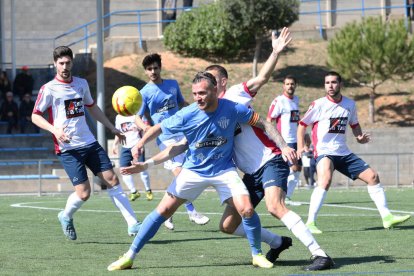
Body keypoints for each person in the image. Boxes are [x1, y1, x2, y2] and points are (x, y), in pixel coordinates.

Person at [123, 27, 334, 271]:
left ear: (220, 83)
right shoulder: (201, 111)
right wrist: (143, 148)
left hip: (268, 160)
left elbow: (262, 81)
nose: (204, 88)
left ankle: (319, 253)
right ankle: (277, 242)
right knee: (228, 225)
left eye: (210, 81)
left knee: (275, 206)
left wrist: (275, 52)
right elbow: (180, 142)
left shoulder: (235, 96)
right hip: (248, 172)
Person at [108, 71, 283, 271]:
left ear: (215, 90)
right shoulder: (187, 114)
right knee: (163, 210)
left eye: (202, 93)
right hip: (193, 171)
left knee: (247, 208)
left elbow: (261, 122)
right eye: (194, 94)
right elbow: (160, 130)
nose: (198, 97)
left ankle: (257, 254)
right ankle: (129, 256)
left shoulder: (233, 108)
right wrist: (140, 146)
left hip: (224, 170)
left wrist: (283, 146)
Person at [31, 46, 142, 240]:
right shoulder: (48, 89)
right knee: (84, 194)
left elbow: (92, 107)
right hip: (68, 149)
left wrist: (111, 127)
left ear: (72, 62)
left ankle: (133, 224)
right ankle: (65, 216)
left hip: (89, 143)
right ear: (55, 64)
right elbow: (35, 116)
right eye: (61, 63)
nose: (65, 66)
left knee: (112, 180)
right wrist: (55, 130)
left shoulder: (81, 84)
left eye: (68, 62)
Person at [297, 71, 411, 234]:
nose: (330, 86)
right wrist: (301, 146)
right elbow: (302, 125)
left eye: (334, 82)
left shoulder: (350, 104)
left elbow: (354, 124)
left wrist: (359, 137)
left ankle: (387, 217)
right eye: (327, 83)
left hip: (343, 152)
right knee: (325, 180)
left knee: (372, 176)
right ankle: (310, 222)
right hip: (324, 151)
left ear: (340, 84)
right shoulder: (318, 104)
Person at [134, 53, 209, 230]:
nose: (153, 71)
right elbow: (137, 117)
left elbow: (182, 103)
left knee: (185, 173)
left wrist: (198, 110)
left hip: (183, 133)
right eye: (149, 69)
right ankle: (192, 211)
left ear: (160, 68)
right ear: (145, 71)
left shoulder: (172, 84)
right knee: (180, 174)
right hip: (164, 137)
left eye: (155, 67)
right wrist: (145, 128)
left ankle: (168, 212)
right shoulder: (144, 93)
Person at [267, 75, 302, 203]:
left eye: (292, 84)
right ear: (283, 86)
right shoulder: (279, 101)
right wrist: (274, 139)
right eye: (287, 84)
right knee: (292, 168)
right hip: (285, 141)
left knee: (297, 169)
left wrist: (304, 137)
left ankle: (287, 196)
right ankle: (281, 196)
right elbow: (269, 120)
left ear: (295, 85)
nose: (290, 86)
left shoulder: (296, 100)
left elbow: (297, 120)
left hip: (296, 140)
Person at [112, 114, 153, 201]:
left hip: (137, 144)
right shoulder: (118, 117)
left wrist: (142, 143)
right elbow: (118, 132)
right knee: (123, 170)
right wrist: (114, 144)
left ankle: (148, 190)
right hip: (125, 147)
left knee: (142, 168)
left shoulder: (138, 115)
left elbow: (147, 128)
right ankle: (134, 192)